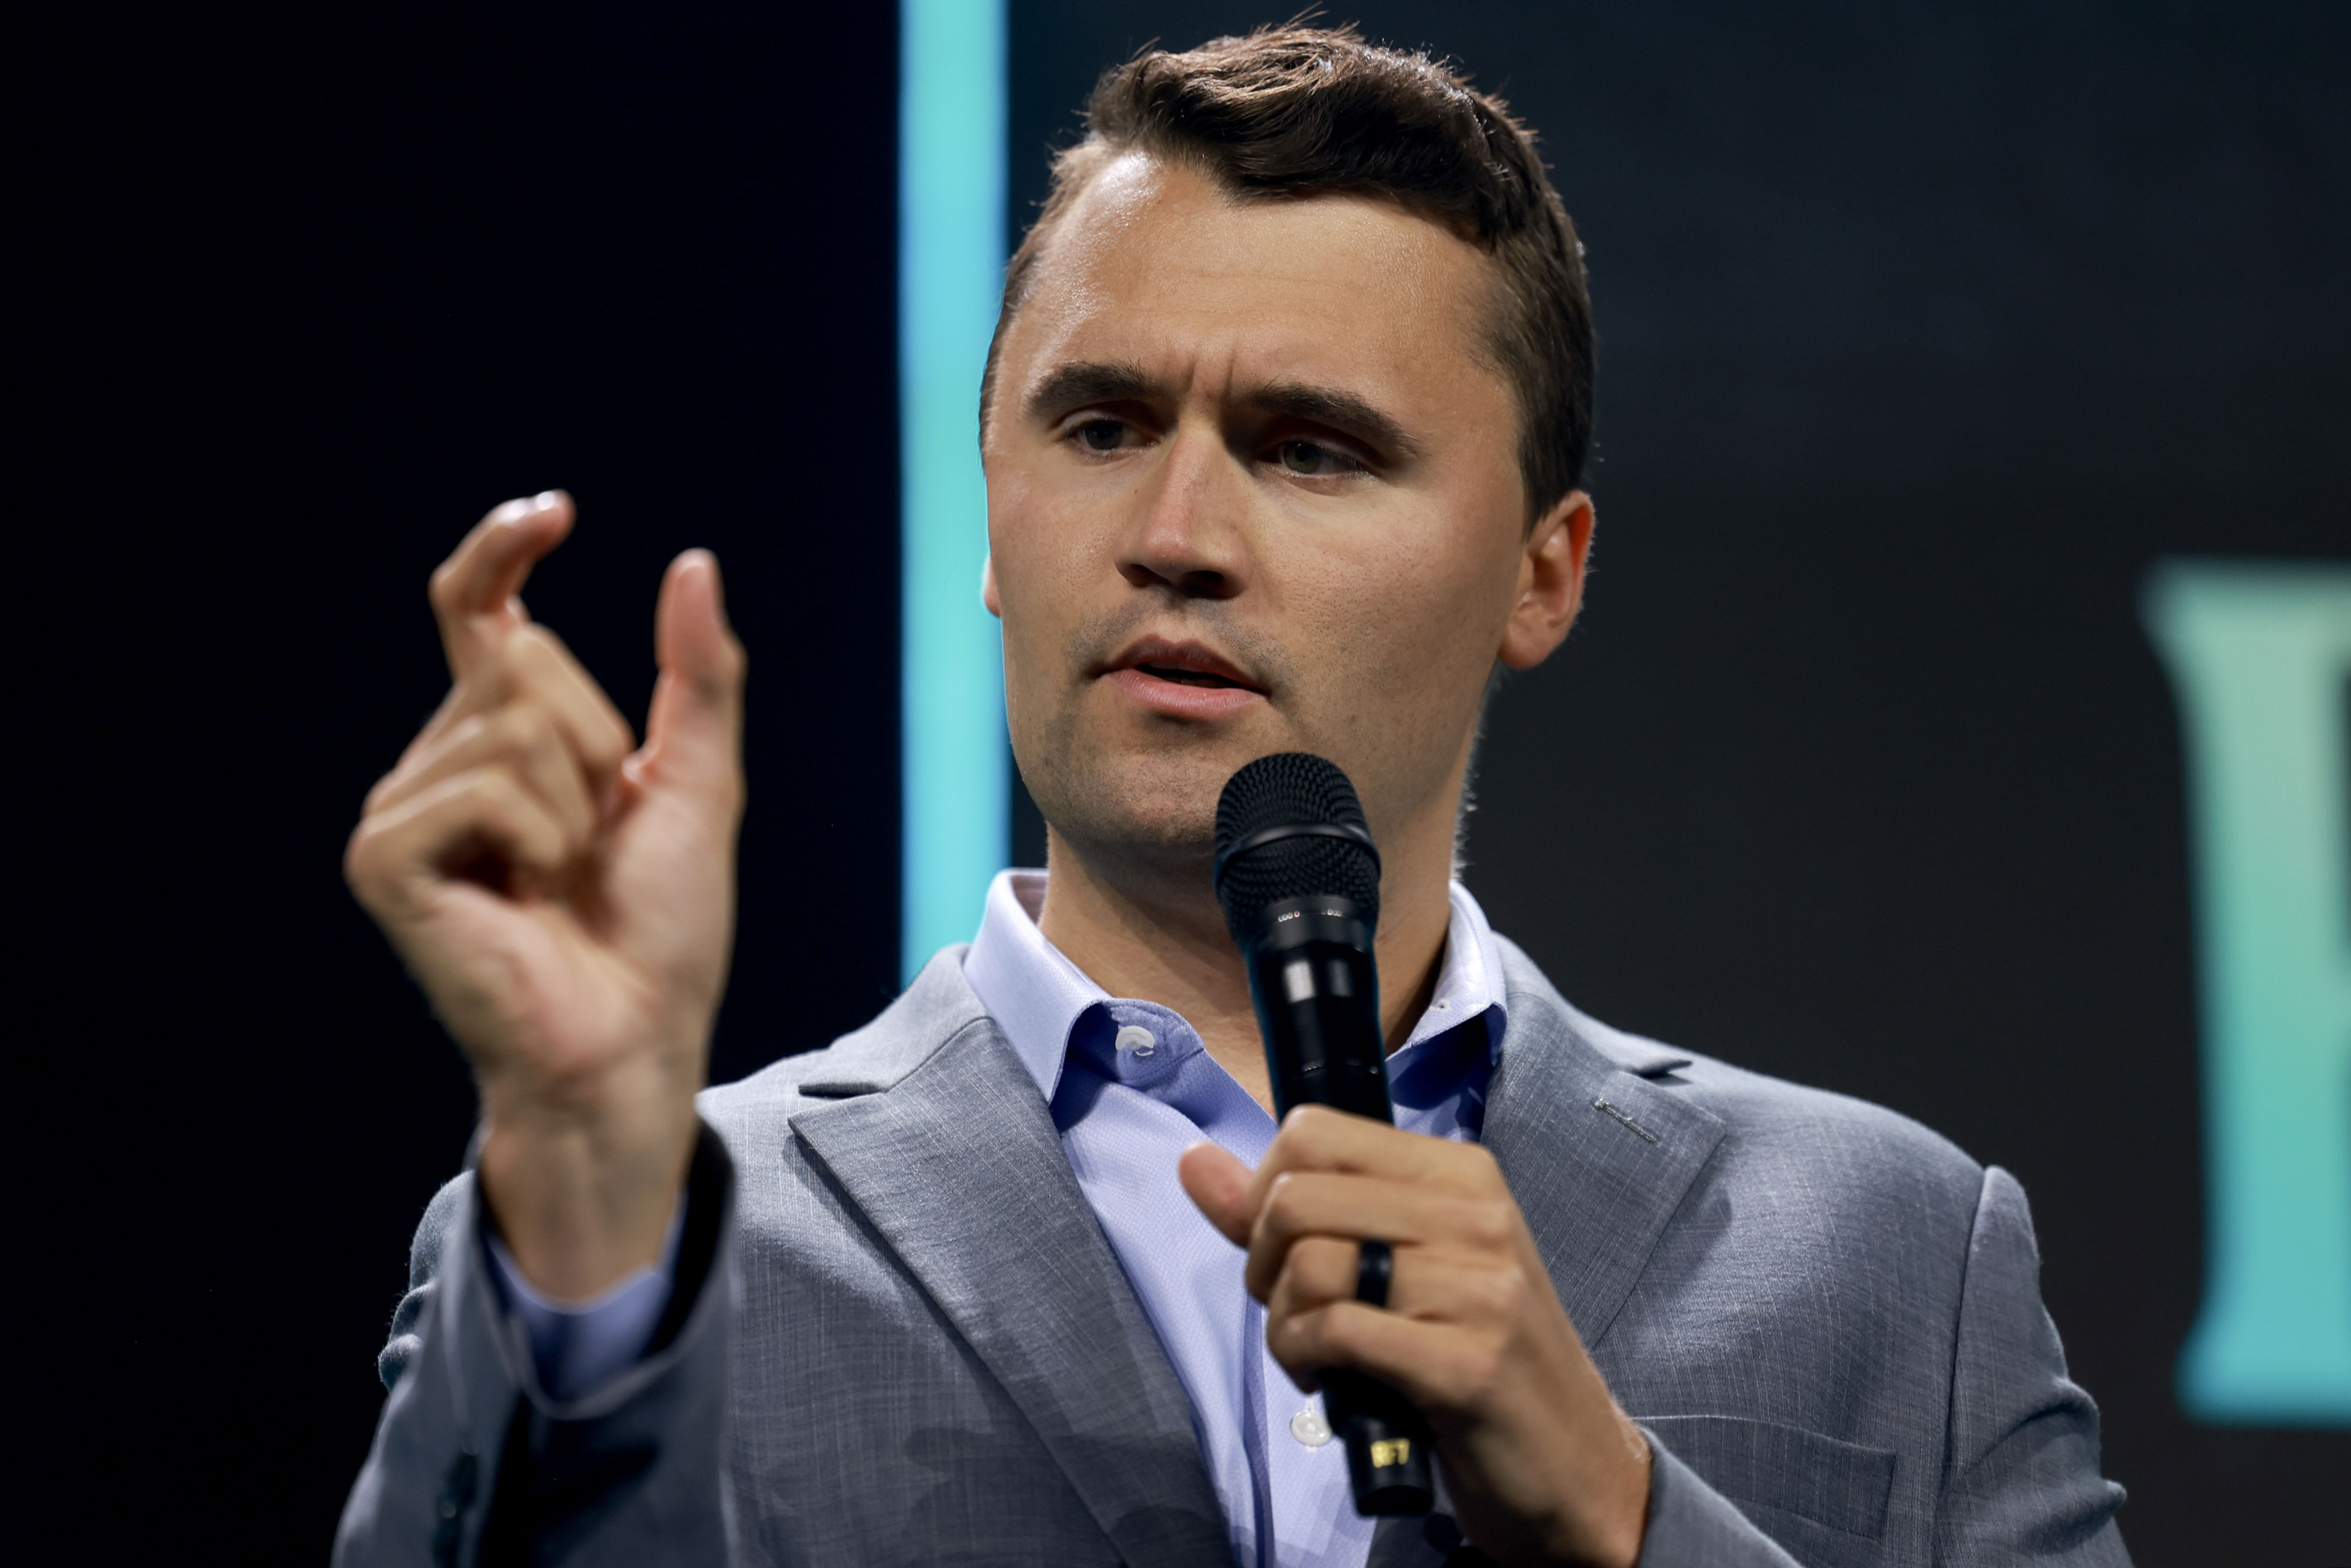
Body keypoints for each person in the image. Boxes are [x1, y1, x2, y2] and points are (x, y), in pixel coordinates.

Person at [335, 24, 2129, 1568]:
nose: (1174, 535)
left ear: (1544, 572)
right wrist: (583, 1170)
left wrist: (1617, 1513)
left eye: (1311, 450)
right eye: (1102, 428)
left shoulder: (1892, 1259)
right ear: (993, 516)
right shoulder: (633, 1247)